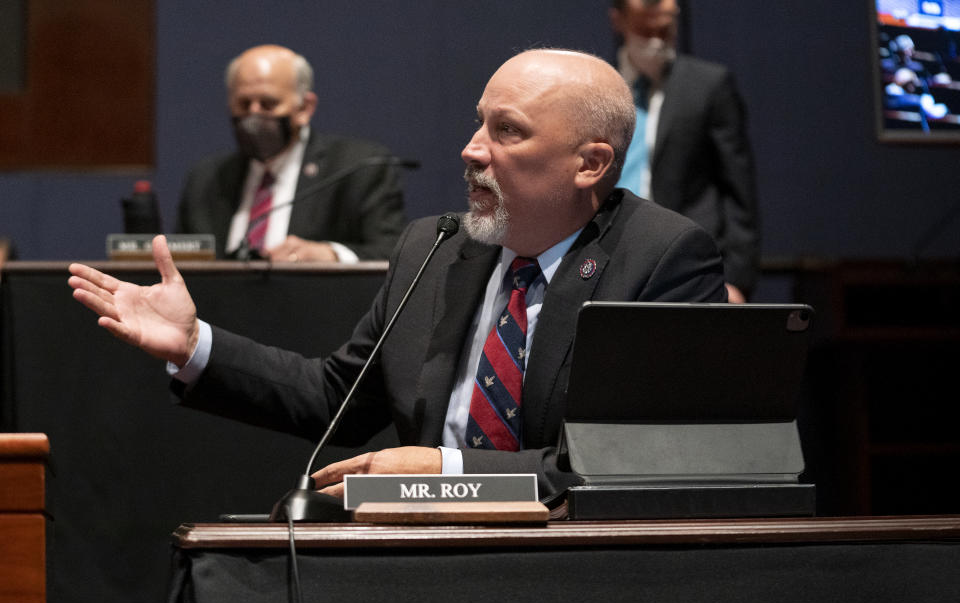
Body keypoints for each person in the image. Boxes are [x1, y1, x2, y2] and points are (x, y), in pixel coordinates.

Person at [69, 49, 726, 498]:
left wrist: (445, 469)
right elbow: (334, 400)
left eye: (508, 131)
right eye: (478, 123)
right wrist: (193, 346)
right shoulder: (435, 249)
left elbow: (638, 464)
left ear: (590, 164)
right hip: (419, 554)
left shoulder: (663, 259)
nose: (471, 149)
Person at [175, 44, 407, 262]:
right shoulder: (206, 179)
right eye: (244, 104)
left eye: (268, 104)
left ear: (305, 108)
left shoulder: (357, 168)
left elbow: (394, 254)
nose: (253, 116)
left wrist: (331, 255)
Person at [609, 0, 759, 302]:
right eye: (644, 27)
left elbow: (739, 190)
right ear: (619, 20)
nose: (654, 39)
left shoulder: (708, 84)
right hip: (611, 254)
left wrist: (737, 280)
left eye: (664, 29)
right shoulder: (598, 84)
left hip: (688, 261)